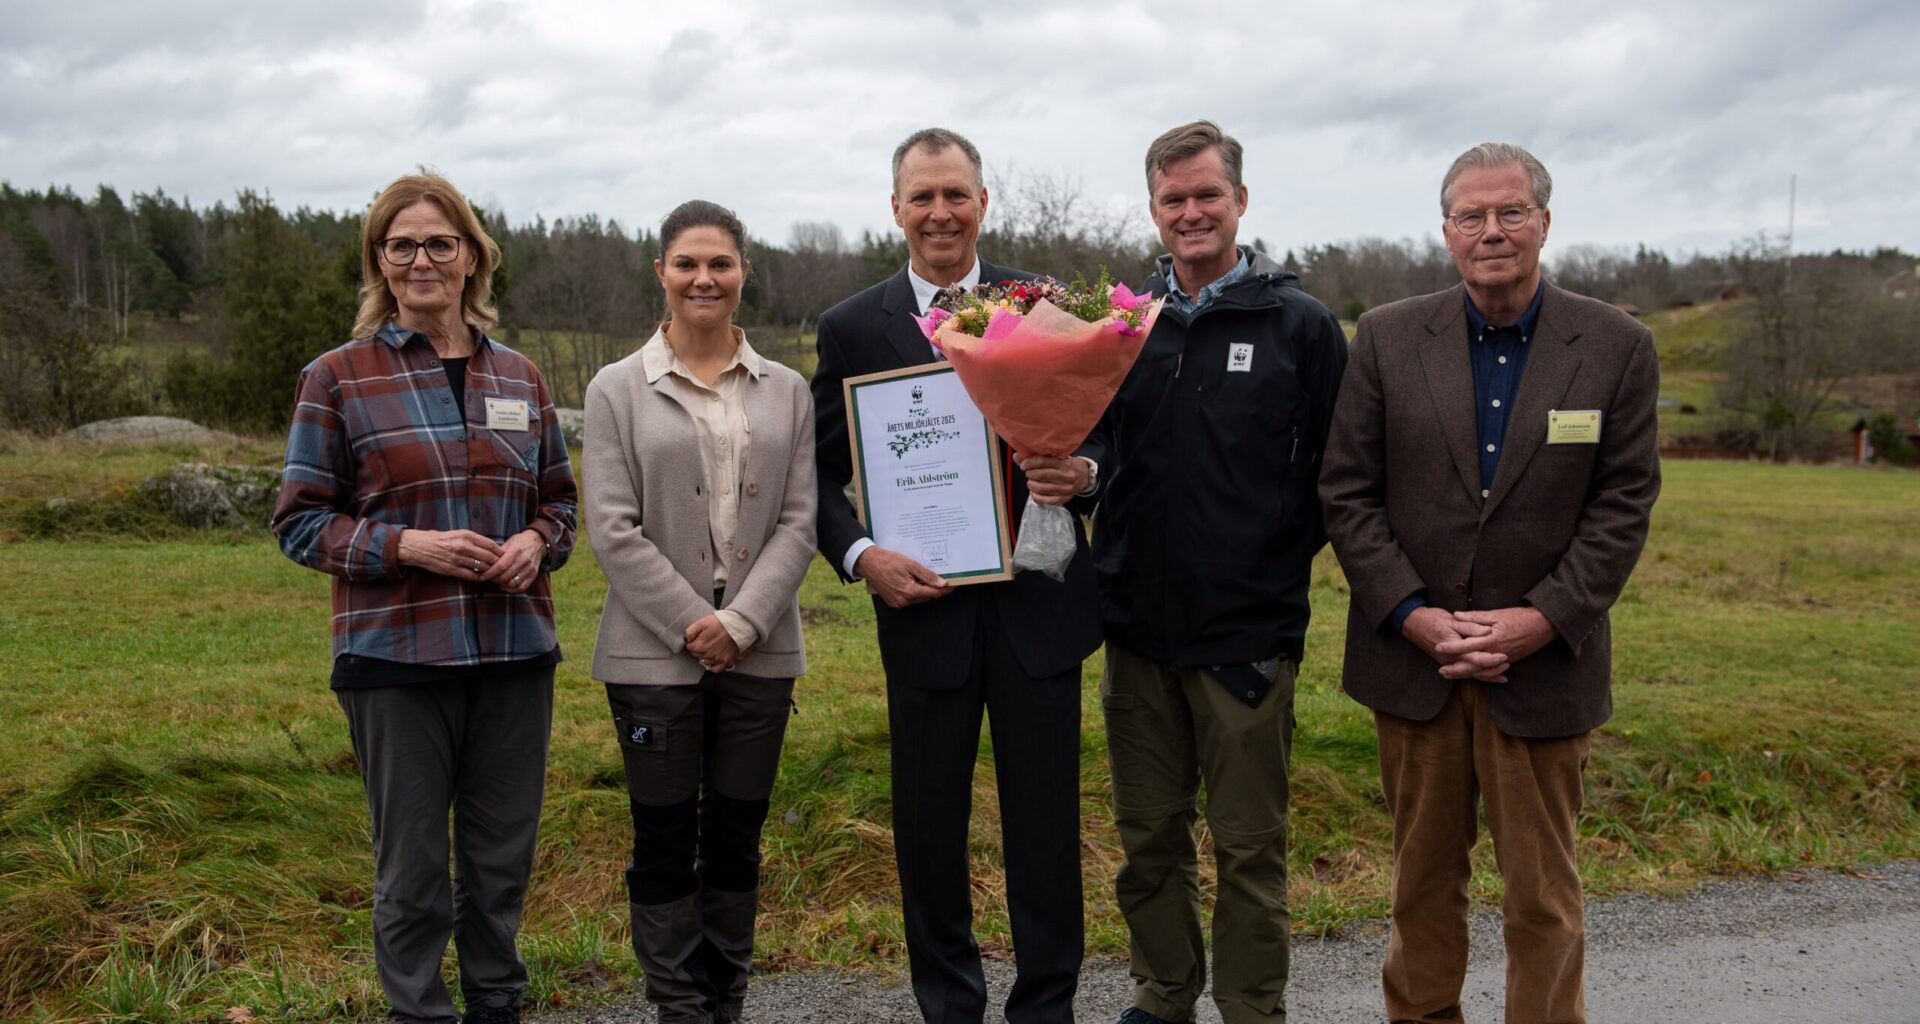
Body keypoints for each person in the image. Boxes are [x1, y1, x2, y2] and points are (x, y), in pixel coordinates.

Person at [1318, 142, 1661, 1024]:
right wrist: (1412, 615)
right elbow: (1347, 491)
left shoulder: (1617, 346)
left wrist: (1541, 619)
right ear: (1447, 232)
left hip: (1542, 671)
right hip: (1415, 667)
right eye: (1471, 216)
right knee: (1421, 889)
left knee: (1542, 898)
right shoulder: (1387, 337)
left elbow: (1624, 504)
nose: (1492, 231)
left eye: (1511, 212)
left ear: (1545, 222)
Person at [810, 127, 1102, 1024]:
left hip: (1038, 610)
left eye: (956, 194)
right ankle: (949, 1006)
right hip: (923, 611)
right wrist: (863, 555)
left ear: (983, 202)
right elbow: (816, 474)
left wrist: (1085, 473)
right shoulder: (852, 327)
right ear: (895, 209)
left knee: (1045, 828)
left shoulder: (1041, 303)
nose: (940, 212)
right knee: (929, 830)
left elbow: (1108, 432)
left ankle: (1045, 1007)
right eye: (922, 196)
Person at [273, 171, 577, 1024]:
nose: (421, 261)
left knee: (500, 859)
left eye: (440, 243)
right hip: (395, 658)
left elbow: (560, 503)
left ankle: (496, 1004)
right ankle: (419, 1012)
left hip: (514, 652)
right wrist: (408, 546)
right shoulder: (338, 378)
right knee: (410, 869)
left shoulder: (519, 377)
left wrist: (535, 543)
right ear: (379, 260)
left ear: (472, 256)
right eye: (401, 245)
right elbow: (299, 523)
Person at [1085, 121, 1348, 1024]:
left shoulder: (1300, 325)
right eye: (1174, 199)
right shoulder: (1122, 325)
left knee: (1248, 846)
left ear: (1240, 199)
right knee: (1148, 839)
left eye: (1207, 194)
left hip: (1245, 638)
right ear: (1153, 209)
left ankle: (1249, 1008)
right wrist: (1082, 477)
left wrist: (1261, 568)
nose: (1191, 212)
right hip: (1136, 631)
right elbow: (1096, 446)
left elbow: (1339, 477)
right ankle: (1162, 997)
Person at [582, 201, 817, 1024]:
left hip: (761, 648)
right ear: (662, 272)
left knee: (736, 837)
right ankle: (680, 1007)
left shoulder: (787, 390)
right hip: (653, 654)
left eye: (720, 263)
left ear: (744, 271)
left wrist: (742, 623)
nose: (704, 278)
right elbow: (611, 528)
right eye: (687, 263)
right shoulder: (616, 389)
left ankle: (727, 1002)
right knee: (663, 836)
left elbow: (799, 519)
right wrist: (695, 624)